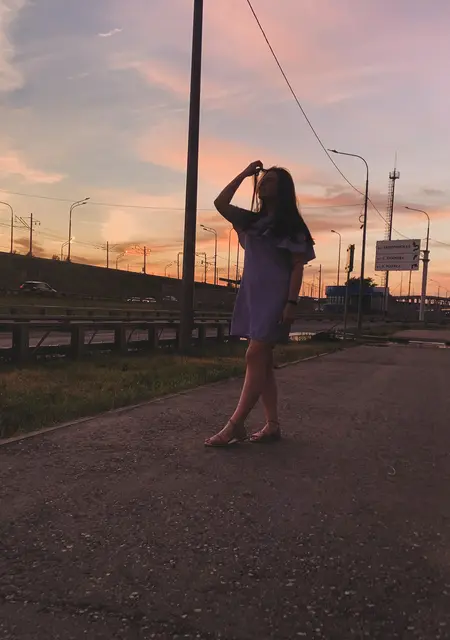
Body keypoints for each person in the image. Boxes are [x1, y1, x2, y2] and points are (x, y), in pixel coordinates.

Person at [205, 161, 316, 447]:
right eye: (263, 180)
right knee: (262, 361)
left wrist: (291, 302)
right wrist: (245, 174)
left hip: (276, 297)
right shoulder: (251, 221)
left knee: (254, 355)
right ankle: (272, 425)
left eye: (271, 181)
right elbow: (220, 203)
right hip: (252, 295)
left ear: (283, 189)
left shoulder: (292, 226)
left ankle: (235, 424)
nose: (264, 184)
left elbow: (297, 266)